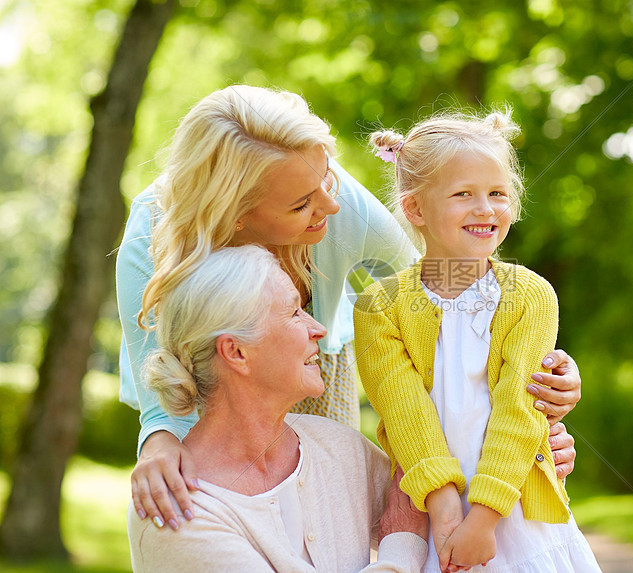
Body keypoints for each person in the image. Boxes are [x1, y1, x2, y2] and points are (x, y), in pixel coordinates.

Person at [116, 85, 582, 531]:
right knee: (221, 515)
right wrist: (160, 442)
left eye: (325, 178)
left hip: (319, 370)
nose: (332, 205)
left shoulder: (334, 198)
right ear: (237, 214)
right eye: (303, 203)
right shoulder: (155, 230)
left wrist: (534, 396)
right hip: (210, 393)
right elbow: (160, 366)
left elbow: (444, 308)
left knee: (333, 524)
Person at [354, 111, 601, 573]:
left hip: (517, 516)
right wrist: (449, 513)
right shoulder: (378, 307)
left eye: (497, 194)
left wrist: (484, 519)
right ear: (416, 209)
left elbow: (520, 409)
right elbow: (405, 412)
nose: (485, 208)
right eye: (463, 194)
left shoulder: (529, 296)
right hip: (432, 518)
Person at [127, 245, 429, 571]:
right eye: (295, 312)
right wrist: (402, 546)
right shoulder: (174, 511)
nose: (318, 328)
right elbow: (410, 524)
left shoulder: (342, 449)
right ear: (236, 352)